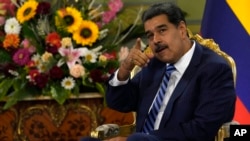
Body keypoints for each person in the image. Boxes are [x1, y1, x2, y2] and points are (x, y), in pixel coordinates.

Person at [81, 2, 236, 141]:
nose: (155, 40)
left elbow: (203, 128)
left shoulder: (214, 69)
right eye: (150, 35)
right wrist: (124, 70)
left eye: (162, 30)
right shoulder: (154, 66)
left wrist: (146, 139)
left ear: (182, 30)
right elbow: (119, 103)